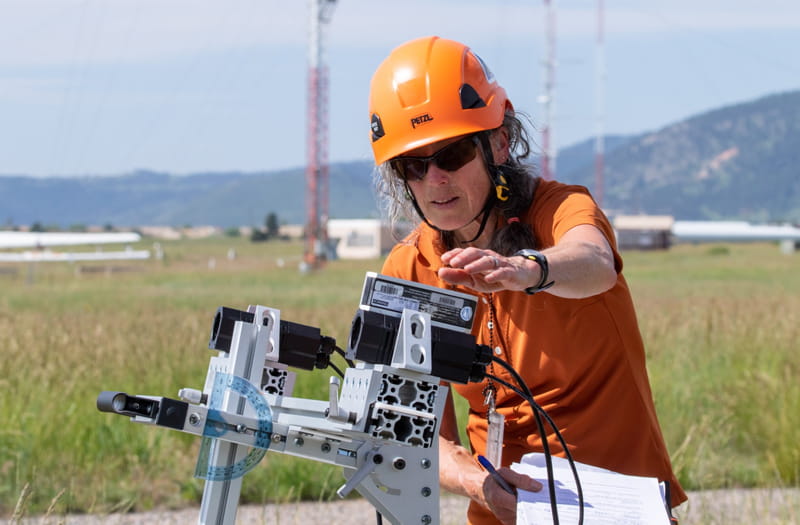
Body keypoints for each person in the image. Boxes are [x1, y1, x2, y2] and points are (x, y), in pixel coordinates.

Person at [367, 35, 687, 525]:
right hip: (501, 512)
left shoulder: (561, 209)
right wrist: (479, 485)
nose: (435, 180)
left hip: (615, 507)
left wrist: (527, 271)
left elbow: (594, 260)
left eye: (452, 155)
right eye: (414, 165)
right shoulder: (407, 270)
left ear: (497, 142)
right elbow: (418, 435)